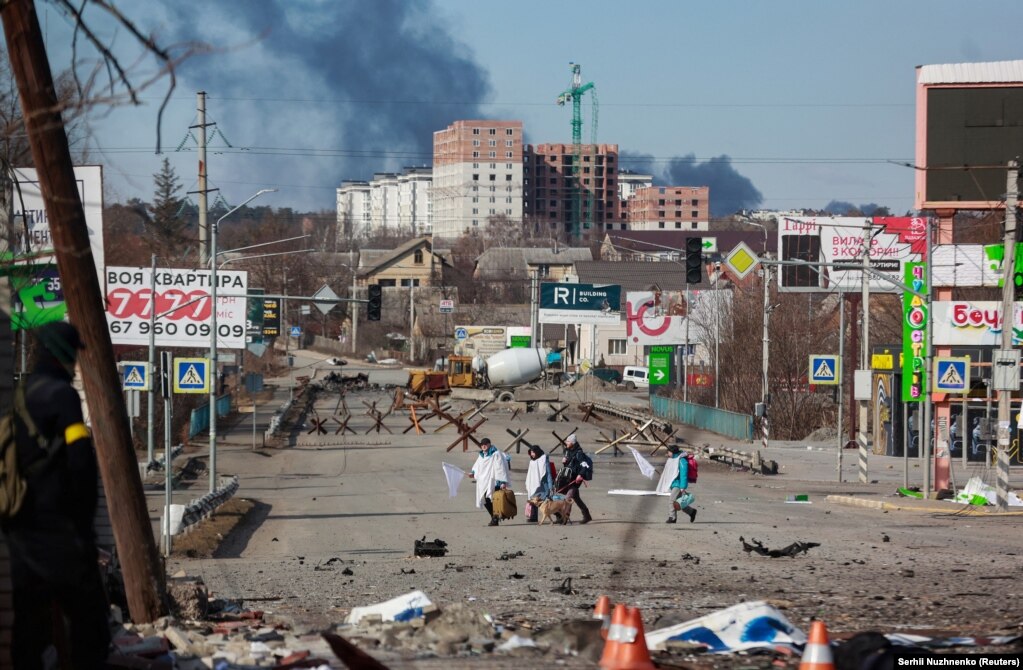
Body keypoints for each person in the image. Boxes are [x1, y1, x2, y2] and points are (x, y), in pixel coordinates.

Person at [2, 321, 110, 668]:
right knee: (90, 623)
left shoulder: (21, 395)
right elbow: (80, 462)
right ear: (65, 354)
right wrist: (84, 526)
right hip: (59, 528)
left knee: (29, 626)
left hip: (20, 529)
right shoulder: (61, 396)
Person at [469, 437, 510, 526]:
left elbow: (500, 468)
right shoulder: (481, 455)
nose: (483, 446)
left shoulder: (496, 454)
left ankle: (495, 518)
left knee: (492, 500)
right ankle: (494, 516)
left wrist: (502, 482)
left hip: (494, 481)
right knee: (485, 499)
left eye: (485, 444)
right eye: (482, 444)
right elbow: (477, 465)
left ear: (489, 444)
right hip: (484, 482)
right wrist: (473, 472)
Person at [657, 444, 697, 523]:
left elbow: (683, 474)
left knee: (671, 500)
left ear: (672, 452)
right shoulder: (672, 459)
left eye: (668, 452)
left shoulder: (681, 461)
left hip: (678, 484)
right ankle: (691, 512)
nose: (667, 453)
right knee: (678, 503)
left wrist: (683, 486)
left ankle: (672, 518)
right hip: (674, 484)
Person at [560, 435, 593, 524]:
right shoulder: (567, 451)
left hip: (576, 479)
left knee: (568, 497)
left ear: (572, 443)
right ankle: (587, 516)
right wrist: (565, 462)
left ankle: (565, 518)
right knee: (576, 498)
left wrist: (580, 475)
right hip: (569, 477)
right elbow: (569, 465)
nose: (566, 442)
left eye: (568, 441)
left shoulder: (579, 453)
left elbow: (584, 465)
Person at [524, 444, 554, 522]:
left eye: (533, 452)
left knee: (546, 501)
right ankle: (533, 517)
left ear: (537, 452)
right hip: (534, 484)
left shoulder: (544, 459)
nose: (531, 454)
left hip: (544, 484)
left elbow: (548, 474)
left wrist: (550, 487)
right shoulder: (532, 461)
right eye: (530, 452)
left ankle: (558, 514)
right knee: (533, 498)